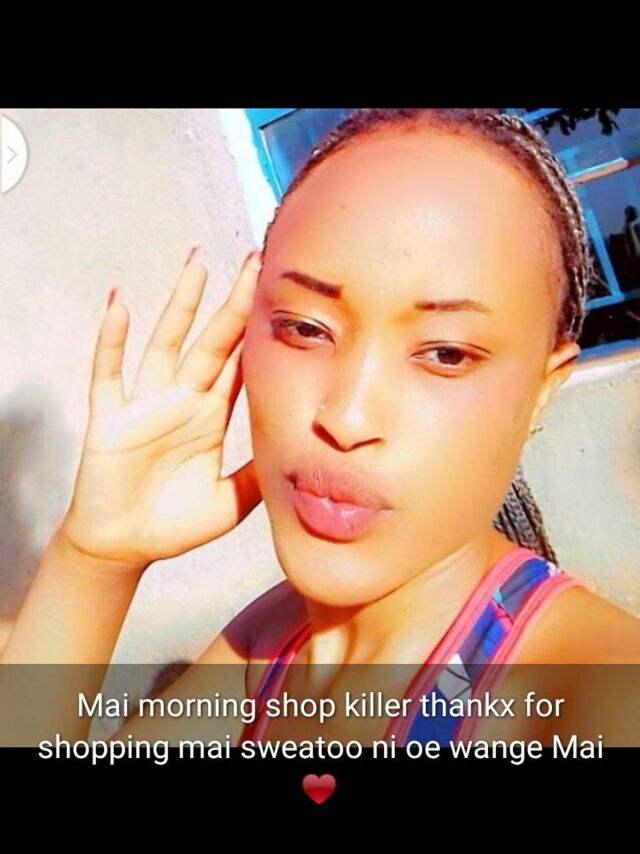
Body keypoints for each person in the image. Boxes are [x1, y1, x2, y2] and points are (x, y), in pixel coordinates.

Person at [2, 108, 640, 750]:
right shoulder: (271, 644)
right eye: (305, 328)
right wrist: (95, 561)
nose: (346, 418)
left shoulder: (599, 699)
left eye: (446, 353)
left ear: (541, 390)